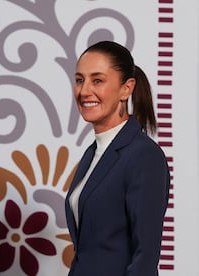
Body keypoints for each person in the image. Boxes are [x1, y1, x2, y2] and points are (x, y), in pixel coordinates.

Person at [65, 41, 170, 276]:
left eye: (98, 80)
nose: (84, 91)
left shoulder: (144, 156)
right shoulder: (94, 153)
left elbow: (145, 255)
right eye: (80, 80)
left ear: (126, 88)